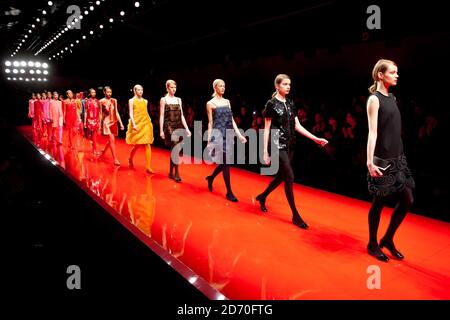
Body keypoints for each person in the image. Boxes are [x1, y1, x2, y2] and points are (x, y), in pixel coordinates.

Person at [255, 74, 328, 229]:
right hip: (276, 144)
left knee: (281, 176)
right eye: (285, 84)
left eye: (289, 84)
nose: (288, 86)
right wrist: (264, 151)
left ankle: (262, 196)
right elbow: (266, 128)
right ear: (277, 86)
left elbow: (297, 126)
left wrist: (315, 138)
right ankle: (295, 215)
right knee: (289, 176)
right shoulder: (271, 104)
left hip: (290, 144)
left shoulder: (290, 103)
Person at [366, 59, 415, 262]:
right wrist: (370, 162)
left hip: (398, 158)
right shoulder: (374, 99)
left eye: (397, 72)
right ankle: (372, 243)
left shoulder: (392, 98)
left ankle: (387, 238)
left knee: (408, 200)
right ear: (380, 75)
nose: (397, 75)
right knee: (379, 202)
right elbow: (373, 132)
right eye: (393, 72)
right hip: (383, 159)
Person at [205, 79, 247, 202]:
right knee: (226, 162)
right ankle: (229, 192)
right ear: (215, 88)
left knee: (224, 162)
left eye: (224, 86)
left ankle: (211, 178)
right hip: (218, 134)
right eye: (220, 86)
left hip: (228, 133)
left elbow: (232, 119)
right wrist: (209, 140)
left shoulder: (227, 101)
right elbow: (210, 122)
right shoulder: (210, 103)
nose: (223, 88)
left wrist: (239, 135)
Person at [159, 80, 192, 182]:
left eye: (175, 87)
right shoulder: (163, 100)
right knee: (176, 148)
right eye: (171, 87)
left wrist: (186, 128)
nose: (173, 89)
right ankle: (176, 173)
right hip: (169, 126)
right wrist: (161, 130)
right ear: (167, 88)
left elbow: (182, 115)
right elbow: (161, 115)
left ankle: (170, 171)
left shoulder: (178, 100)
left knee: (175, 150)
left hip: (178, 125)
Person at [126, 84, 155, 174]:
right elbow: (131, 113)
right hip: (137, 124)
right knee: (137, 145)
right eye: (138, 90)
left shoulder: (145, 101)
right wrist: (134, 124)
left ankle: (148, 166)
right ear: (135, 91)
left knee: (147, 143)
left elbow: (146, 112)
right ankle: (130, 158)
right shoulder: (131, 101)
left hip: (145, 123)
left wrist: (149, 121)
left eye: (142, 90)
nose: (141, 91)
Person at [100, 86, 124, 166]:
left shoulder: (114, 100)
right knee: (112, 140)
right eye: (108, 92)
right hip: (106, 122)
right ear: (104, 92)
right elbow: (101, 114)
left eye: (110, 92)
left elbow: (116, 112)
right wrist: (100, 125)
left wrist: (120, 123)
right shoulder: (101, 101)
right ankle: (115, 159)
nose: (109, 93)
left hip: (113, 121)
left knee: (112, 140)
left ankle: (104, 150)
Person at [84, 88, 101, 155]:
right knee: (90, 135)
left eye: (95, 92)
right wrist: (85, 122)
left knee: (94, 136)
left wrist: (99, 120)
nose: (94, 93)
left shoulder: (98, 101)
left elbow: (99, 112)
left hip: (96, 120)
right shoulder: (87, 101)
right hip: (89, 120)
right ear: (90, 93)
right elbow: (85, 112)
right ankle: (93, 146)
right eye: (92, 92)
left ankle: (95, 149)